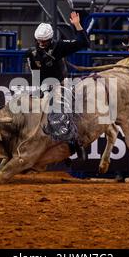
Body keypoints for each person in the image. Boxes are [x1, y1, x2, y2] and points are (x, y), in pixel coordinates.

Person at [26, 12, 90, 163]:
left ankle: (74, 143)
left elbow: (84, 43)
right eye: (39, 40)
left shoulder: (60, 47)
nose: (41, 43)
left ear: (50, 39)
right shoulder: (31, 53)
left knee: (60, 113)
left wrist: (77, 25)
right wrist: (37, 92)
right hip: (43, 86)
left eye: (45, 41)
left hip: (60, 85)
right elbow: (35, 73)